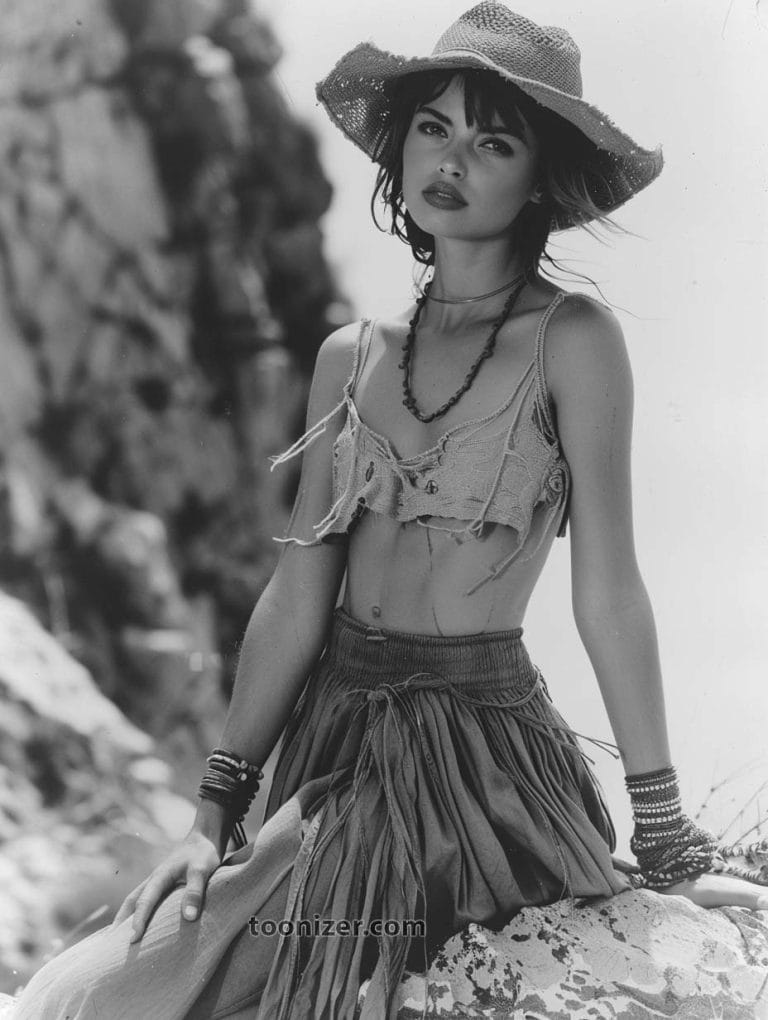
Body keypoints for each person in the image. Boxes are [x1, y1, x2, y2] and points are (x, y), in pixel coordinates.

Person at [12, 3, 768, 1018]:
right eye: (434, 127)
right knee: (87, 989)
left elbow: (610, 590)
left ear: (537, 176)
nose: (453, 160)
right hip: (329, 750)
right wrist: (210, 816)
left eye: (492, 141)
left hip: (478, 767)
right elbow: (297, 593)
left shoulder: (574, 341)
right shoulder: (349, 356)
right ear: (402, 142)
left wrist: (666, 837)